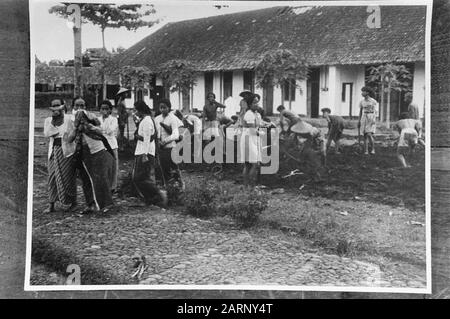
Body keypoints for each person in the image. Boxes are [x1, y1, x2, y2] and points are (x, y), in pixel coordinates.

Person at [67, 97, 114, 214]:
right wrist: (77, 127)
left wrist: (89, 126)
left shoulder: (92, 117)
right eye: (77, 105)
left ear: (85, 107)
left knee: (100, 177)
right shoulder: (70, 120)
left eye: (82, 105)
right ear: (73, 106)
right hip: (81, 152)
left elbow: (100, 131)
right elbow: (69, 139)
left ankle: (105, 204)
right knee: (85, 179)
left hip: (96, 149)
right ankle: (90, 204)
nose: (79, 108)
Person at [43, 99, 77, 213]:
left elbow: (72, 134)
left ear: (62, 106)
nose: (56, 108)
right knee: (52, 177)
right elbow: (47, 134)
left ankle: (73, 202)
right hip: (54, 151)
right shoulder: (48, 120)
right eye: (53, 106)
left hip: (66, 151)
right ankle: (51, 204)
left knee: (68, 177)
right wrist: (54, 120)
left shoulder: (69, 119)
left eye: (58, 105)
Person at [131, 101, 167, 206]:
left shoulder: (147, 121)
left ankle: (158, 194)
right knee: (141, 178)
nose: (134, 112)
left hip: (144, 152)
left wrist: (145, 154)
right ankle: (150, 198)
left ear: (140, 110)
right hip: (141, 151)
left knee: (139, 178)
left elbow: (147, 138)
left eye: (135, 110)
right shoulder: (145, 120)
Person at [154, 99, 183, 193]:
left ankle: (180, 186)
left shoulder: (173, 118)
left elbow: (175, 135)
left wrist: (164, 141)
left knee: (174, 167)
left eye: (164, 107)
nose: (162, 110)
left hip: (170, 146)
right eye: (161, 107)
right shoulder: (157, 118)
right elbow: (156, 132)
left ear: (169, 108)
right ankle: (168, 187)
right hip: (161, 147)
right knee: (163, 167)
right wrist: (158, 141)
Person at [240, 95, 263, 187]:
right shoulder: (249, 114)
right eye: (254, 102)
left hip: (254, 139)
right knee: (253, 164)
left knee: (251, 164)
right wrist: (262, 133)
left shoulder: (257, 114)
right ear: (249, 104)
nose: (257, 104)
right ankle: (249, 186)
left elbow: (258, 125)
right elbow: (253, 130)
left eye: (257, 102)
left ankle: (248, 187)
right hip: (248, 139)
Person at [98, 100, 119, 193]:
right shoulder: (97, 119)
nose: (104, 111)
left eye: (106, 109)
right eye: (102, 109)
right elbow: (97, 131)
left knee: (112, 167)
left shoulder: (114, 119)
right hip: (101, 146)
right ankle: (103, 186)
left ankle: (112, 187)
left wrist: (106, 119)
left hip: (111, 145)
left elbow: (109, 130)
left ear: (110, 110)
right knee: (102, 167)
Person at [358, 86, 378, 155]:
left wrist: (374, 120)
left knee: (369, 134)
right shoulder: (362, 102)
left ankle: (373, 149)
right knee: (365, 135)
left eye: (363, 91)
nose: (362, 93)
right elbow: (360, 112)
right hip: (364, 117)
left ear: (367, 92)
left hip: (371, 117)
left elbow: (376, 112)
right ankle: (366, 150)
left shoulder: (373, 101)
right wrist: (359, 121)